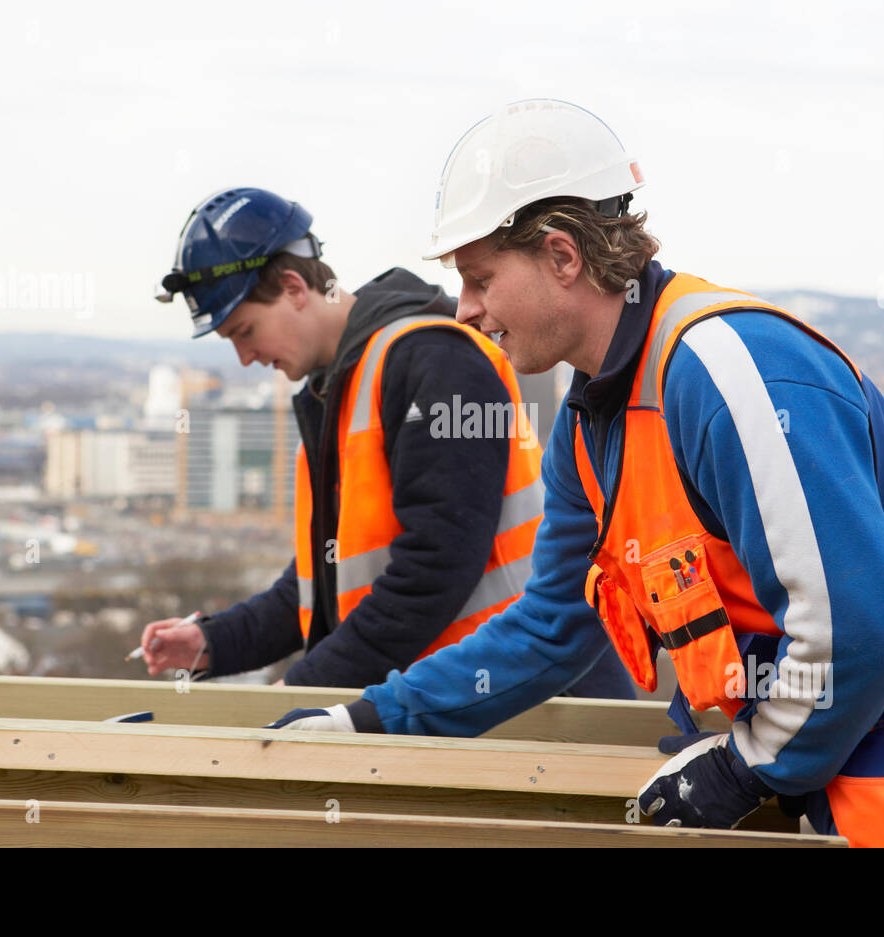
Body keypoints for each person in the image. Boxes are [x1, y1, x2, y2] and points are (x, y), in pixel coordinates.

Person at [269, 101, 884, 847]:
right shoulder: (594, 421)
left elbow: (863, 628)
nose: (465, 310)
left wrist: (742, 767)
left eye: (481, 279)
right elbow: (551, 626)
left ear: (561, 255)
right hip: (834, 762)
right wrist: (374, 716)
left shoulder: (725, 372)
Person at [140, 186, 634, 697]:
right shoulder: (339, 387)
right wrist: (212, 641)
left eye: (244, 331)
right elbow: (320, 583)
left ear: (292, 287)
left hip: (532, 705)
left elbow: (434, 569)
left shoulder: (436, 363)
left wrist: (306, 690)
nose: (246, 357)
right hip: (453, 704)